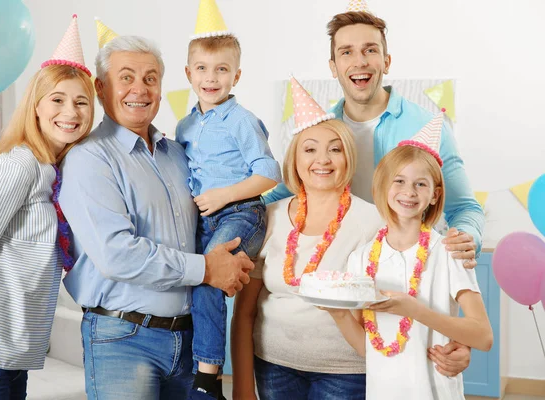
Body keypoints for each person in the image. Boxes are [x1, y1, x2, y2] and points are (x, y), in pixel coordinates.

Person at [231, 78, 474, 400]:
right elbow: (244, 312)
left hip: (348, 372)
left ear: (349, 158)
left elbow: (423, 284)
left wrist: (460, 343)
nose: (323, 159)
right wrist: (242, 387)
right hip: (273, 366)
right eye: (310, 149)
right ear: (294, 160)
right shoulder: (267, 217)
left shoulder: (378, 220)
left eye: (335, 149)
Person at [58, 35, 255, 400]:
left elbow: (221, 211)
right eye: (127, 77)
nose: (140, 89)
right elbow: (118, 254)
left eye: (150, 78)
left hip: (191, 340)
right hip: (123, 339)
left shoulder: (178, 154)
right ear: (101, 88)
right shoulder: (89, 159)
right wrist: (208, 269)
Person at [264, 4, 484, 274]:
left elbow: (463, 207)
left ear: (386, 61)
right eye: (347, 52)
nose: (360, 61)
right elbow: (286, 193)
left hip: (408, 271)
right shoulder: (321, 134)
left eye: (370, 50)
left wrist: (465, 236)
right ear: (333, 67)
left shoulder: (427, 125)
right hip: (343, 269)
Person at [0, 15, 94, 399]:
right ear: (37, 107)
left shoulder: (54, 174)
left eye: (81, 102)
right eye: (58, 100)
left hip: (15, 348)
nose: (71, 112)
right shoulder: (21, 164)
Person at [322, 113, 493, 399]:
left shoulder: (448, 252)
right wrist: (338, 314)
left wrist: (415, 310)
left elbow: (483, 336)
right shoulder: (361, 260)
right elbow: (368, 348)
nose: (409, 192)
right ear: (382, 187)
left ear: (436, 195)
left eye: (421, 184)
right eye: (399, 181)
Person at [177, 23, 281, 400]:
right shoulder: (185, 125)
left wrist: (223, 196)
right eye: (202, 68)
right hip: (204, 220)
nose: (211, 77)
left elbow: (269, 173)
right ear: (188, 73)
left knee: (209, 271)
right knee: (193, 280)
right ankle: (195, 370)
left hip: (241, 213)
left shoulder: (241, 120)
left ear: (236, 75)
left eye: (222, 69)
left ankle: (208, 380)